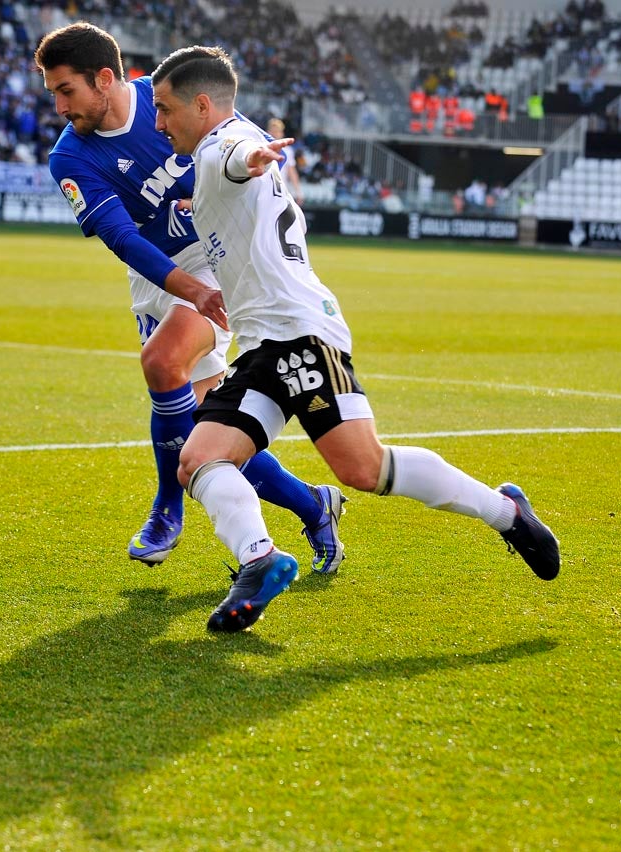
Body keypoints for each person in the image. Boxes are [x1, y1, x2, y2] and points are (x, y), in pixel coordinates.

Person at [150, 45, 561, 633]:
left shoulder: (224, 146)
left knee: (363, 469)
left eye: (165, 109)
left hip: (298, 336)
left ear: (203, 104)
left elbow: (239, 157)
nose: (159, 122)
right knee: (199, 459)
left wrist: (255, 154)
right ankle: (259, 562)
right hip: (265, 341)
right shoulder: (218, 152)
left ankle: (506, 512)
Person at [34, 23, 348, 574]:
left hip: (215, 259)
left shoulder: (169, 97)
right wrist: (189, 290)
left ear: (104, 79)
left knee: (161, 362)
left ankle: (166, 509)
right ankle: (312, 503)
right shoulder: (70, 158)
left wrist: (247, 163)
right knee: (203, 424)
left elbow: (234, 135)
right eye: (53, 93)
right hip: (159, 276)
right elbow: (122, 238)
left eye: (67, 91)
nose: (60, 106)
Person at [266, 117, 303, 206]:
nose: (274, 133)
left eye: (277, 131)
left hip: (280, 191)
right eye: (272, 130)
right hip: (264, 189)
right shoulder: (261, 146)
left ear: (282, 133)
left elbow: (291, 171)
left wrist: (298, 191)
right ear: (267, 132)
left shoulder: (287, 150)